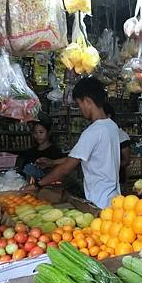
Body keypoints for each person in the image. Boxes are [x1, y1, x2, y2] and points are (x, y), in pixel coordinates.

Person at [25, 77, 121, 208]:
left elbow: (66, 168)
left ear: (87, 101)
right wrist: (52, 162)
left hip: (99, 201)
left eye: (79, 104)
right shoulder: (112, 126)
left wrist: (38, 184)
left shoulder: (92, 132)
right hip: (114, 198)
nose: (80, 109)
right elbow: (79, 158)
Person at [104, 103, 131, 189]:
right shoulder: (97, 134)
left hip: (117, 181)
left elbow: (126, 160)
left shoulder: (121, 135)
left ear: (108, 116)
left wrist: (109, 167)